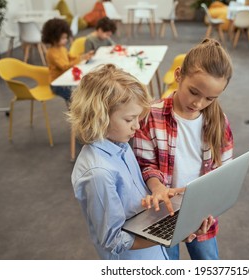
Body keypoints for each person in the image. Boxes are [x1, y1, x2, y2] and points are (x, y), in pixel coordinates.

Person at [68, 64, 212, 260]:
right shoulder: (97, 173)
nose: (137, 126)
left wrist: (166, 193)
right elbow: (114, 241)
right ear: (99, 118)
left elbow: (134, 198)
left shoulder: (122, 144)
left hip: (154, 252)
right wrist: (174, 234)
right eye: (130, 119)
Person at [133, 38, 234, 260]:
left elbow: (223, 175)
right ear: (179, 75)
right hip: (163, 213)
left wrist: (207, 210)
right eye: (194, 92)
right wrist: (158, 187)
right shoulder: (151, 115)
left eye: (210, 98)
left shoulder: (219, 121)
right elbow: (145, 164)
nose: (198, 103)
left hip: (202, 214)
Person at [41, 18, 93, 104]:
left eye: (66, 37)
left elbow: (70, 57)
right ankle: (76, 114)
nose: (66, 40)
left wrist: (83, 56)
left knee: (83, 91)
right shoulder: (51, 53)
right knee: (76, 98)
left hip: (66, 79)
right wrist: (80, 59)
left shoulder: (62, 48)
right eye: (63, 38)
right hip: (57, 84)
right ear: (53, 38)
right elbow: (64, 67)